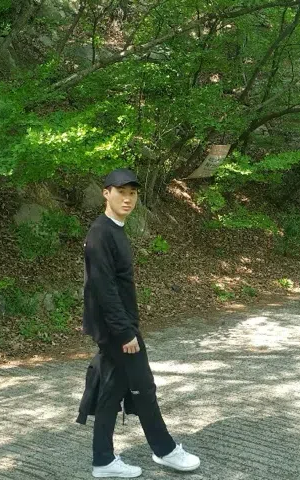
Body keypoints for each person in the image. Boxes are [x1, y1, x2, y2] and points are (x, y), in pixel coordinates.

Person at [82, 168, 200, 478]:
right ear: (106, 193)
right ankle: (165, 450)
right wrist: (125, 332)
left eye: (132, 193)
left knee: (112, 390)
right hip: (116, 330)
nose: (128, 198)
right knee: (143, 388)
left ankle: (103, 461)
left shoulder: (115, 229)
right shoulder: (100, 233)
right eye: (121, 192)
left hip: (118, 326)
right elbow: (103, 288)